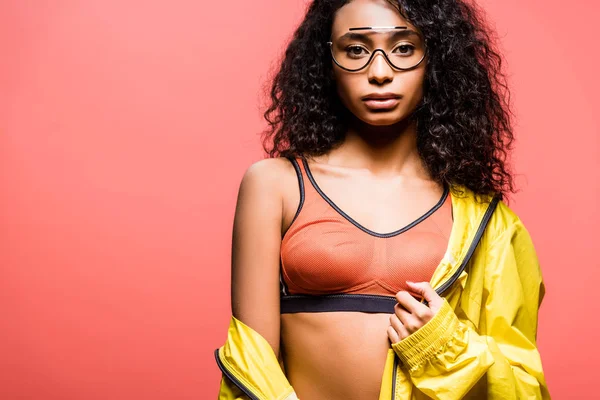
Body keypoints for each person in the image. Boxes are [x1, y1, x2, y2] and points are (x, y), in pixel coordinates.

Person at [215, 0, 550, 399]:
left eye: (404, 48)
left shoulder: (485, 218)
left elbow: (522, 386)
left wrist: (443, 345)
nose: (379, 72)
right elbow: (250, 361)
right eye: (355, 49)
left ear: (436, 58)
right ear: (327, 60)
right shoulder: (275, 185)